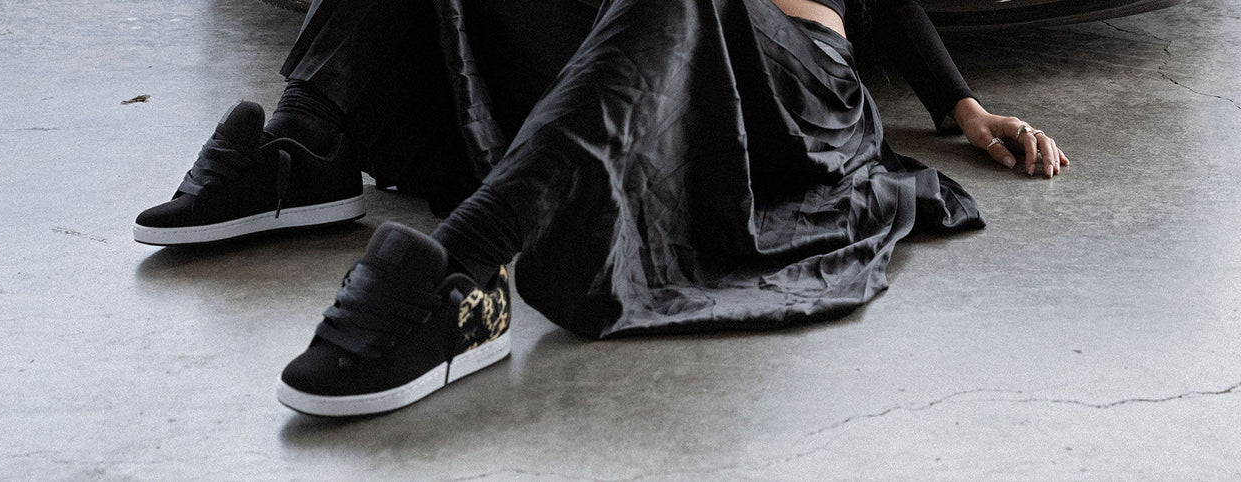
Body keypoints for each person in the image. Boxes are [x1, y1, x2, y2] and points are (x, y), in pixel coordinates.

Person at [134, 0, 1069, 417]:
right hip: (670, 50)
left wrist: (962, 107)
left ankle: (466, 273)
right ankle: (307, 150)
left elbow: (891, 4)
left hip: (798, 88)